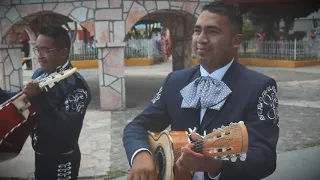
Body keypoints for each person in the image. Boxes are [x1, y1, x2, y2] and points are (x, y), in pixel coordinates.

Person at [122, 1, 279, 180]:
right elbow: (137, 126)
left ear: (236, 41)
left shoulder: (259, 86)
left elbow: (265, 158)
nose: (201, 39)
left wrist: (216, 166)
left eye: (213, 31)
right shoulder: (175, 81)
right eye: (197, 30)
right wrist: (141, 154)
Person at [1, 25, 91, 180]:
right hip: (41, 156)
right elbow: (20, 100)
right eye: (37, 50)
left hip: (63, 159)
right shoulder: (41, 73)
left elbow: (66, 131)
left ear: (63, 53)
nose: (40, 56)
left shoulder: (76, 85)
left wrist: (38, 98)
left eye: (45, 50)